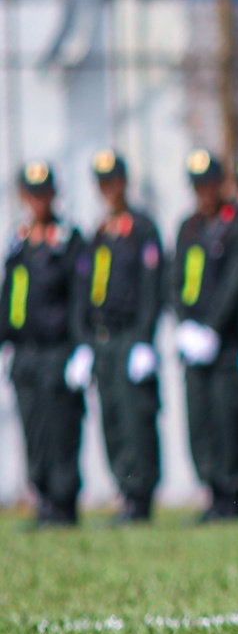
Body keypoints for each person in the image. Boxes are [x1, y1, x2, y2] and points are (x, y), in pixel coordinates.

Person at [168, 150, 238, 521]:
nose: (203, 192)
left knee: (228, 421)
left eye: (208, 183)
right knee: (201, 420)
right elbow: (175, 282)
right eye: (197, 185)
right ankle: (213, 491)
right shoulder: (188, 227)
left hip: (225, 343)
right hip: (195, 343)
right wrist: (185, 324)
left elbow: (236, 282)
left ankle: (234, 495)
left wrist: (212, 328)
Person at [72, 151, 164, 523]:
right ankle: (124, 492)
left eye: (114, 181)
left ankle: (141, 496)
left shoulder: (142, 229)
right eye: (102, 183)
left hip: (129, 338)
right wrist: (83, 341)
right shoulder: (97, 233)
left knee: (135, 417)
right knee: (111, 418)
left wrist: (144, 338)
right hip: (102, 340)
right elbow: (82, 292)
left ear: (125, 182)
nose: (109, 190)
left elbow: (152, 287)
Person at [4, 162, 86, 526]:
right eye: (31, 194)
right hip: (25, 355)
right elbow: (9, 299)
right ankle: (44, 502)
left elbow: (80, 297)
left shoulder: (68, 240)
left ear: (53, 195)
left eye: (44, 193)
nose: (38, 200)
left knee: (61, 432)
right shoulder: (18, 243)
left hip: (57, 353)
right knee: (34, 431)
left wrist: (81, 347)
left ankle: (64, 504)